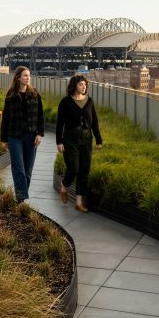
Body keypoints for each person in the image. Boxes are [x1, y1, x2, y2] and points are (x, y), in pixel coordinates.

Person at [56, 74, 102, 213]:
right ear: (74, 85)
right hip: (71, 139)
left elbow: (95, 122)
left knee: (84, 171)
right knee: (73, 168)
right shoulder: (65, 102)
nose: (84, 87)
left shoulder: (89, 101)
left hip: (87, 140)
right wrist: (59, 141)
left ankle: (78, 202)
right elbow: (60, 123)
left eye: (85, 85)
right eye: (81, 84)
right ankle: (64, 186)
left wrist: (99, 140)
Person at [0, 66, 44, 202]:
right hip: (14, 136)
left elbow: (40, 116)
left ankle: (21, 199)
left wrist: (40, 134)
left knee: (28, 170)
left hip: (31, 136)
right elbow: (5, 117)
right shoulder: (11, 95)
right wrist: (3, 139)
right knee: (18, 167)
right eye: (25, 75)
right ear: (18, 78)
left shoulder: (35, 94)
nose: (28, 78)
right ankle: (21, 196)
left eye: (29, 75)